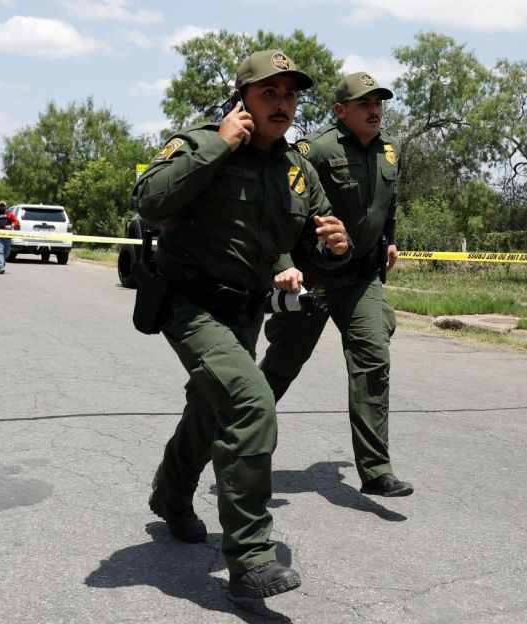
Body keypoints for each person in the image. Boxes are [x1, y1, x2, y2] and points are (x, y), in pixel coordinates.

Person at [134, 50, 351, 600]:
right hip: (190, 305)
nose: (283, 104)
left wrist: (333, 246)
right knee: (251, 403)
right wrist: (219, 144)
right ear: (244, 98)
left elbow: (309, 246)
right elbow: (149, 200)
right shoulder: (202, 141)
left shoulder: (298, 170)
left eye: (290, 95)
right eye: (270, 93)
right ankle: (252, 559)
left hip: (246, 309)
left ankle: (171, 494)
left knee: (212, 407)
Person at [259, 72, 412, 498]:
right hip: (314, 278)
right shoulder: (317, 150)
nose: (375, 110)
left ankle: (376, 469)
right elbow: (285, 208)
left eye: (379, 102)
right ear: (341, 111)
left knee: (372, 359)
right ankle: (238, 445)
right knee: (281, 366)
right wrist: (285, 264)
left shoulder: (390, 151)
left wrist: (391, 239)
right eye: (364, 103)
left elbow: (389, 200)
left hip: (361, 278)